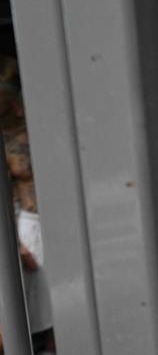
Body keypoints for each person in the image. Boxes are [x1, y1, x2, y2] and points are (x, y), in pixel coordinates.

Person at [0, 84, 55, 353]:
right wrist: (18, 245)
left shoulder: (43, 131)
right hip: (28, 225)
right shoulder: (6, 143)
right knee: (35, 304)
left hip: (58, 218)